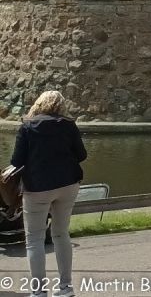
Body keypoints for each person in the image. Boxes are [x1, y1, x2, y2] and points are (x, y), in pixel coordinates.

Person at [10, 90, 88, 297]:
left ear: (39, 104)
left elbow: (16, 162)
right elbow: (82, 155)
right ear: (61, 106)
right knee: (62, 235)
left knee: (34, 239)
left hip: (37, 188)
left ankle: (38, 292)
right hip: (67, 185)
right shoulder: (69, 125)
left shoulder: (27, 126)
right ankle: (65, 288)